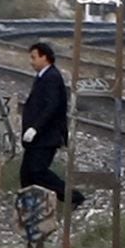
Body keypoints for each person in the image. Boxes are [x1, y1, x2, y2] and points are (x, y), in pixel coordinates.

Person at [21, 42, 84, 208]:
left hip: (46, 136)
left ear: (44, 57)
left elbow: (52, 106)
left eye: (34, 57)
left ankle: (73, 197)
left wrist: (36, 128)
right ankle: (30, 209)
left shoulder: (51, 77)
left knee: (37, 171)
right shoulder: (43, 76)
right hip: (39, 137)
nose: (31, 61)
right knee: (27, 174)